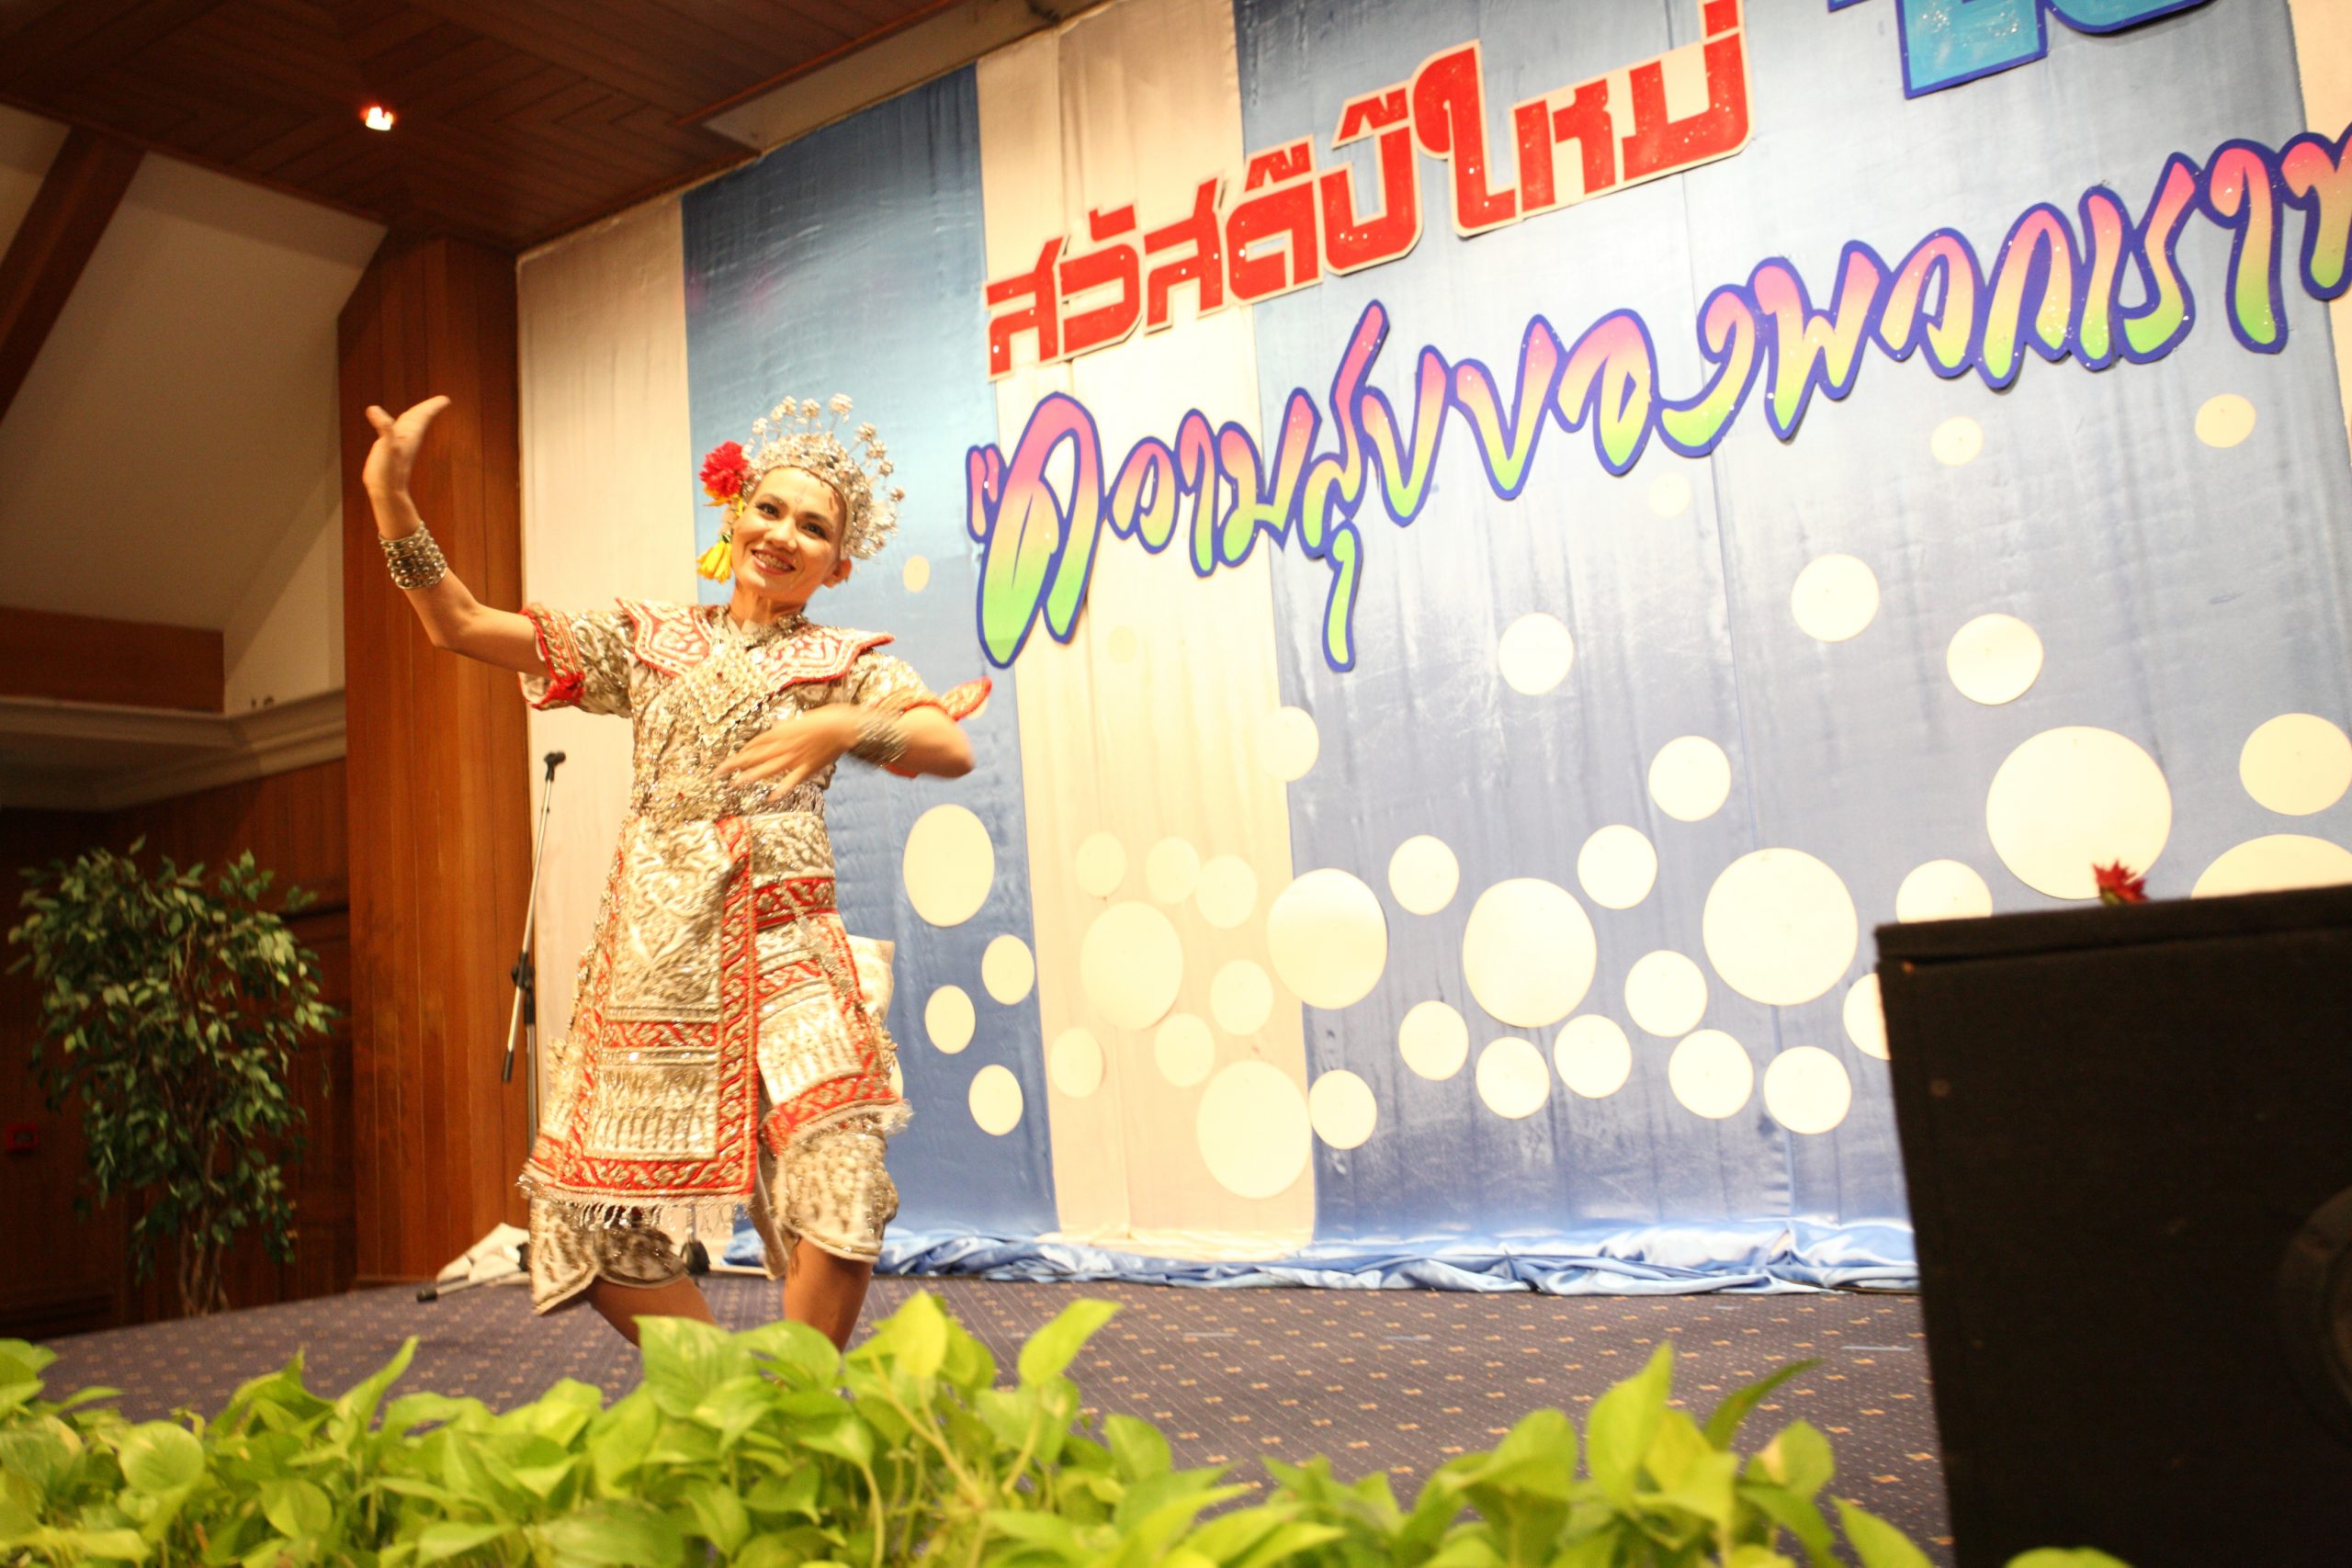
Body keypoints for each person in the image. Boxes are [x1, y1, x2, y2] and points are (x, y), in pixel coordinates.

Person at [362, 391, 982, 1349]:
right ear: (734, 518)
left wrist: (841, 723)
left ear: (838, 564)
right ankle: (727, 1401)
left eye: (813, 528)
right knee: (588, 1225)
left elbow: (948, 747)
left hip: (787, 944)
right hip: (660, 956)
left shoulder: (841, 660)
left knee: (842, 1170)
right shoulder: (647, 640)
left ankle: (801, 1402)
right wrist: (392, 499)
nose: (783, 535)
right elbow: (461, 623)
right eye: (768, 510)